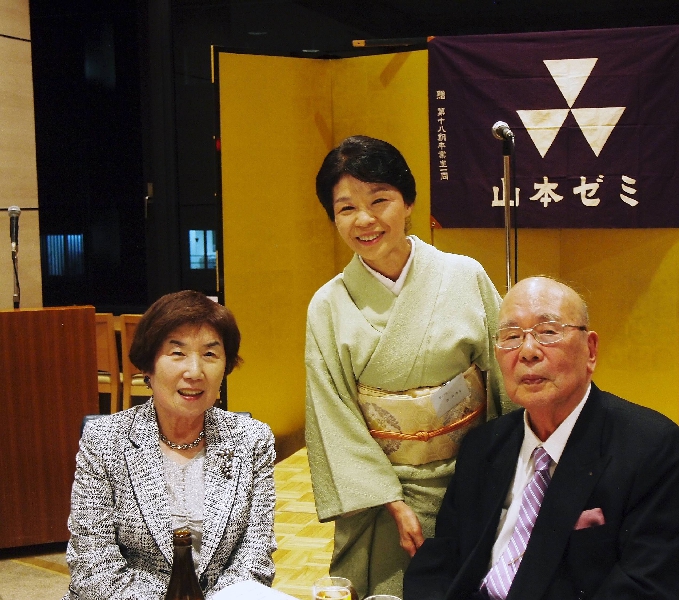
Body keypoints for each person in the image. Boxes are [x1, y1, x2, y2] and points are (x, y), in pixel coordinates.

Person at [404, 276, 679, 600]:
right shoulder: (484, 445)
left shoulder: (653, 448)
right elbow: (442, 559)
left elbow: (646, 587)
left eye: (548, 332)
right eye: (512, 337)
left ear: (590, 350)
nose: (528, 352)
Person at [305, 135, 507, 598]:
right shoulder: (328, 305)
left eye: (380, 200)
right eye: (346, 208)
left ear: (408, 202)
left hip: (472, 480)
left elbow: (504, 380)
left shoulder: (465, 275)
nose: (365, 219)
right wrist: (391, 501)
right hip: (383, 493)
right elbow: (332, 415)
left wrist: (507, 472)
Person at [64, 291, 277, 600]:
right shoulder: (105, 440)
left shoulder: (251, 440)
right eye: (177, 353)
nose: (194, 372)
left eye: (210, 354)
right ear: (148, 366)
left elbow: (254, 558)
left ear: (225, 367)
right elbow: (93, 569)